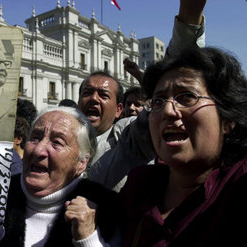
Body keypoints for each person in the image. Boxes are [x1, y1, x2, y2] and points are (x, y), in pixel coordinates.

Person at [119, 47, 247, 247]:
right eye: (158, 101)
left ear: (227, 120)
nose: (168, 111)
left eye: (186, 97)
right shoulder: (138, 185)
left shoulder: (237, 185)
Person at [85, 0, 207, 192]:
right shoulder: (59, 132)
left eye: (103, 94)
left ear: (119, 109)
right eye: (86, 92)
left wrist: (189, 16)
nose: (93, 98)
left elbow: (171, 80)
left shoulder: (127, 137)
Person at [0, 107, 122, 247]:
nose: (39, 150)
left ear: (82, 163)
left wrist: (87, 241)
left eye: (57, 142)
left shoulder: (106, 210)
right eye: (35, 138)